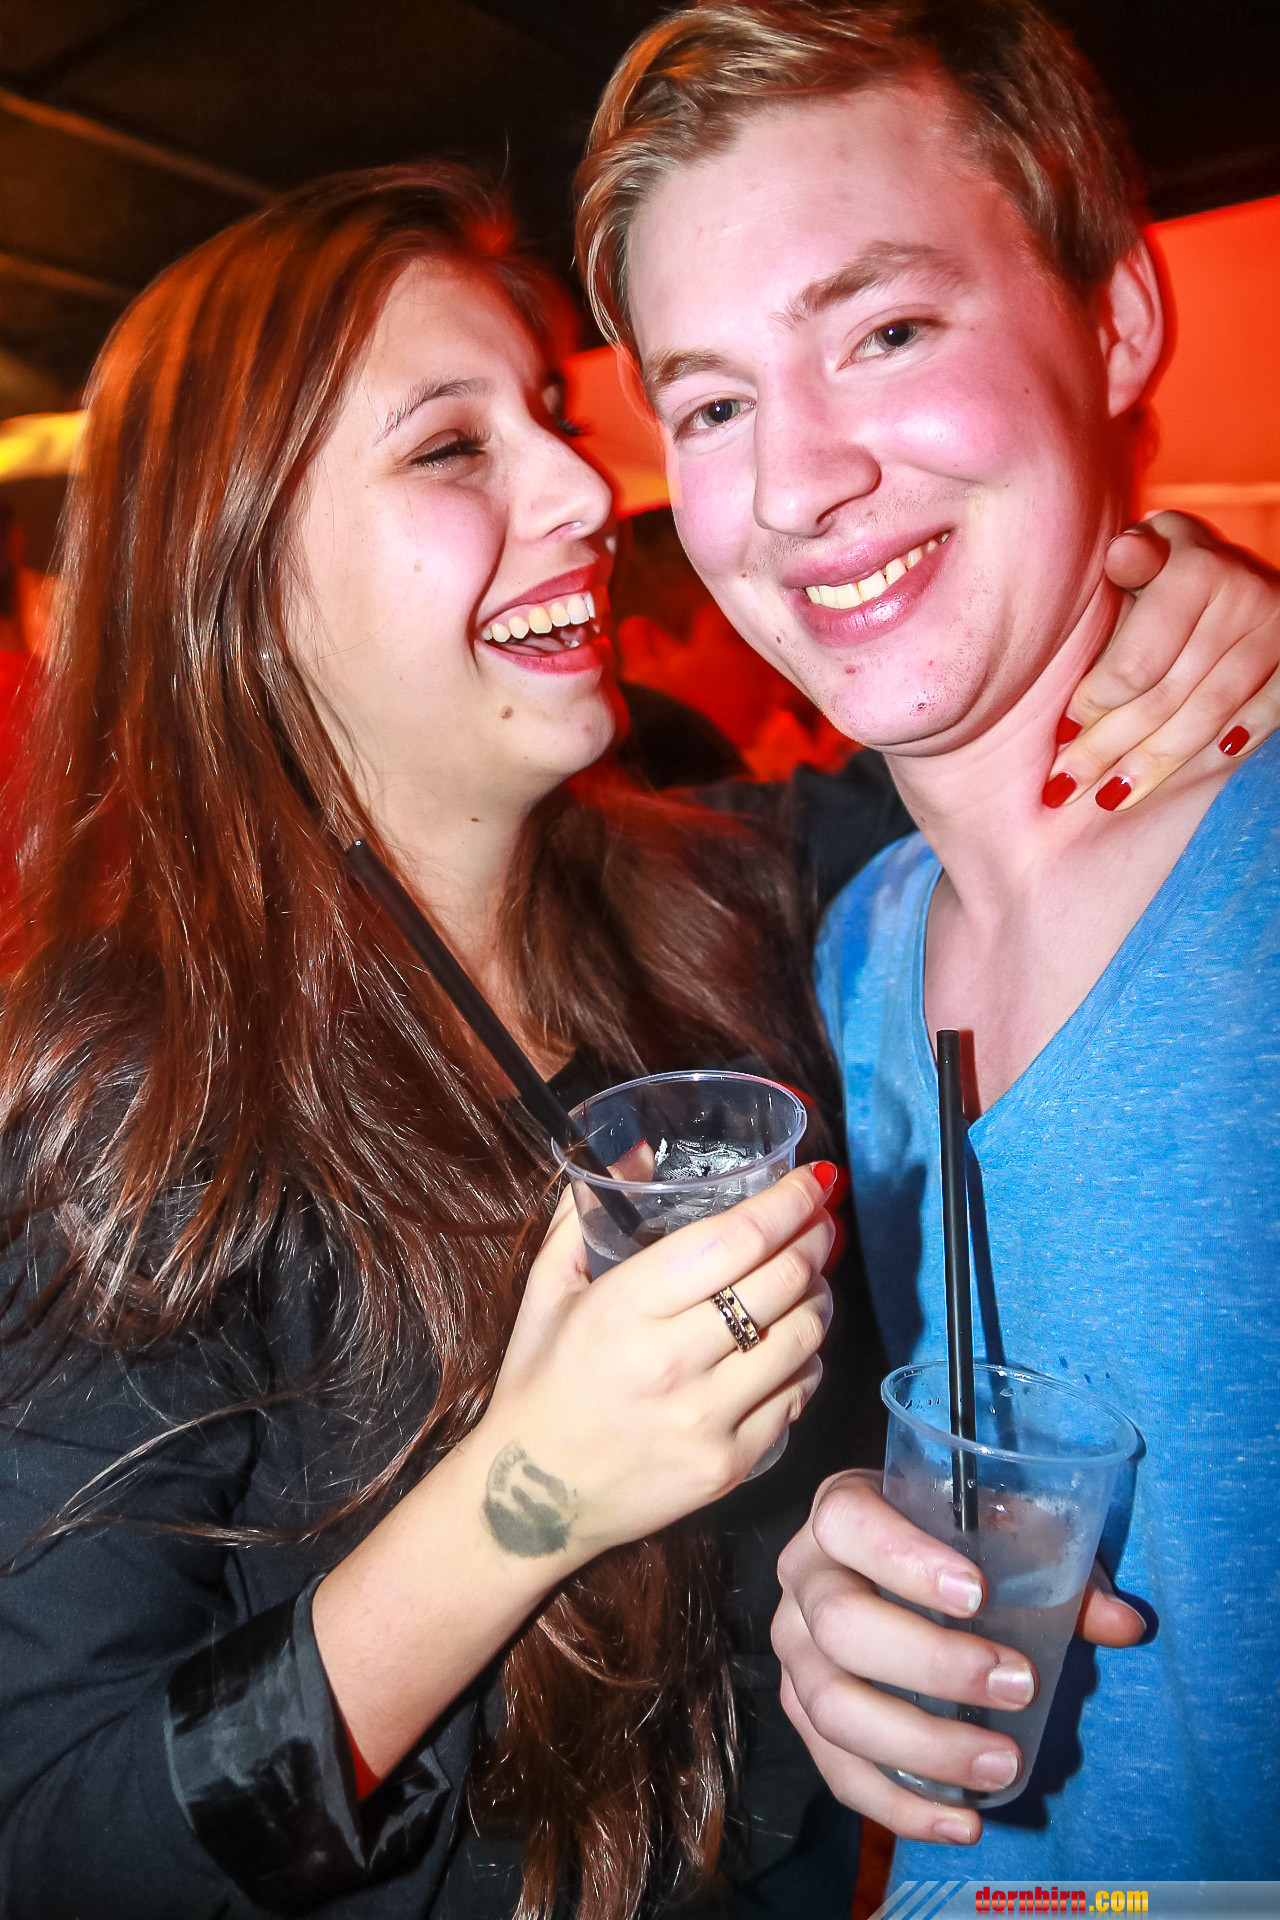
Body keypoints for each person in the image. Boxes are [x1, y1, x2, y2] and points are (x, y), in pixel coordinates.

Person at [0, 166, 855, 1920]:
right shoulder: (143, 1095)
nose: (587, 491)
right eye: (453, 447)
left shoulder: (738, 895)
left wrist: (1182, 601)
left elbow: (1021, 754)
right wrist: (528, 1497)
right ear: (243, 582)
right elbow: (57, 1838)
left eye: (551, 417)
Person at [574, 0, 1280, 1885]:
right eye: (714, 405)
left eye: (884, 332)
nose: (795, 486)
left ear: (1115, 320)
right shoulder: (860, 958)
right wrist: (839, 1622)